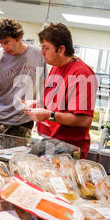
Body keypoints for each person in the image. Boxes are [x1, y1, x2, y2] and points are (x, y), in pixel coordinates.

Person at [24, 23, 98, 158]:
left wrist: (49, 115)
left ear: (61, 49)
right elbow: (56, 103)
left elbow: (84, 120)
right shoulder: (55, 68)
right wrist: (38, 105)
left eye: (46, 48)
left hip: (69, 148)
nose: (42, 52)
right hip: (50, 141)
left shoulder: (82, 74)